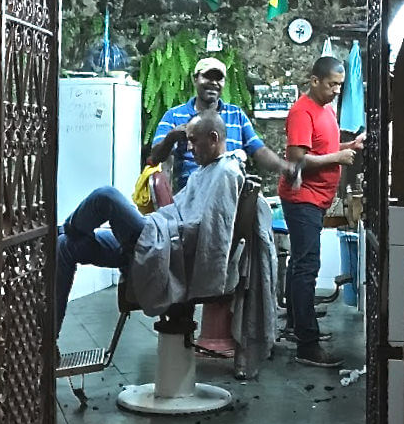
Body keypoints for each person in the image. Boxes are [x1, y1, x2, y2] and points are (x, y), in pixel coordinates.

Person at [57, 111, 251, 334]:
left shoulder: (226, 172)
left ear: (214, 138)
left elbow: (211, 233)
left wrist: (165, 229)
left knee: (106, 196)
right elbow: (180, 210)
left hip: (166, 243)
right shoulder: (205, 171)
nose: (189, 148)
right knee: (65, 246)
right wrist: (158, 223)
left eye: (194, 141)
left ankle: (62, 228)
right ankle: (49, 342)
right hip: (157, 233)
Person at [278, 56, 365, 368]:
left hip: (315, 198)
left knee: (301, 265)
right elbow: (298, 159)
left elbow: (323, 146)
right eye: (332, 85)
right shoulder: (302, 111)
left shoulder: (325, 108)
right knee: (306, 268)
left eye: (340, 86)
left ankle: (295, 327)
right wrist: (337, 158)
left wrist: (349, 145)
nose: (336, 91)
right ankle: (307, 345)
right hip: (303, 198)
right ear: (314, 80)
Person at [150, 57, 296, 191]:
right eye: (207, 77)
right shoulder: (174, 116)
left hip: (231, 192)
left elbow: (259, 150)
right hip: (192, 196)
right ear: (195, 79)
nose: (213, 83)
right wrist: (171, 138)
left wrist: (285, 167)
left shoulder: (236, 115)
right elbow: (155, 157)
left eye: (219, 79)